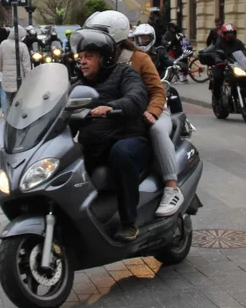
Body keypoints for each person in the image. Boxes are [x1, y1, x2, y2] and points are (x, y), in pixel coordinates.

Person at [70, 29, 150, 242]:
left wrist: (111, 107)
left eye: (89, 57)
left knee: (121, 153)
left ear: (104, 59)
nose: (83, 62)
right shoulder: (78, 85)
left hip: (128, 139)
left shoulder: (125, 74)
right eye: (81, 57)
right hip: (95, 146)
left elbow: (137, 97)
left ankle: (128, 223)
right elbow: (62, 110)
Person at [123, 20, 183, 216]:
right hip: (129, 110)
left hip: (153, 108)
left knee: (157, 129)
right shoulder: (112, 59)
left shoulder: (144, 57)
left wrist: (153, 110)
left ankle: (171, 186)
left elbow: (157, 91)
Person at [206, 22, 246, 105]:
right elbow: (215, 52)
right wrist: (217, 59)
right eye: (228, 33)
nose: (230, 35)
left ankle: (243, 92)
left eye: (232, 33)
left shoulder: (238, 42)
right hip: (223, 64)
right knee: (218, 77)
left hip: (235, 64)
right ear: (224, 33)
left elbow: (244, 51)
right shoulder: (220, 42)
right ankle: (216, 97)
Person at [0, 26, 32, 110]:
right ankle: (14, 119)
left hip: (7, 77)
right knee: (17, 100)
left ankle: (6, 119)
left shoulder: (3, 44)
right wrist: (28, 78)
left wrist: (3, 70)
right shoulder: (22, 46)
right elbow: (26, 65)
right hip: (19, 79)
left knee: (8, 99)